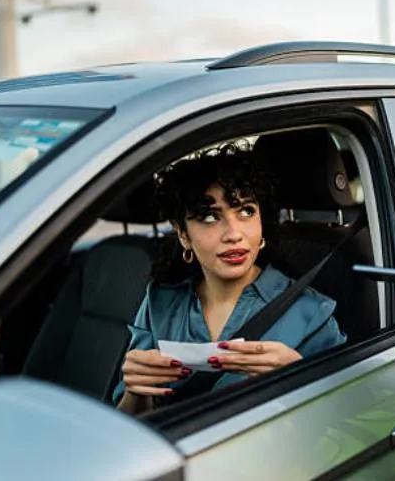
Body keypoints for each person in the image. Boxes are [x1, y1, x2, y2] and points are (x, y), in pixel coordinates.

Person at [113, 142, 347, 415]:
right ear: (183, 234)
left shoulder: (311, 314)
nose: (233, 233)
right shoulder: (159, 304)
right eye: (210, 217)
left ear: (262, 225)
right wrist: (135, 391)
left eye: (246, 211)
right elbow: (131, 420)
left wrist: (301, 379)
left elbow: (344, 418)